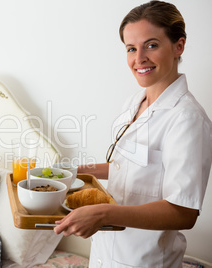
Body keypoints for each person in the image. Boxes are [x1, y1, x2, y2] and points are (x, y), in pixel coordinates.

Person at [54, 1, 212, 267]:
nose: (139, 58)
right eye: (131, 48)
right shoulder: (134, 103)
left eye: (151, 45)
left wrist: (105, 214)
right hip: (106, 255)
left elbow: (184, 212)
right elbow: (126, 166)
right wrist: (74, 170)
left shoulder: (187, 119)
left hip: (145, 260)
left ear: (178, 46)